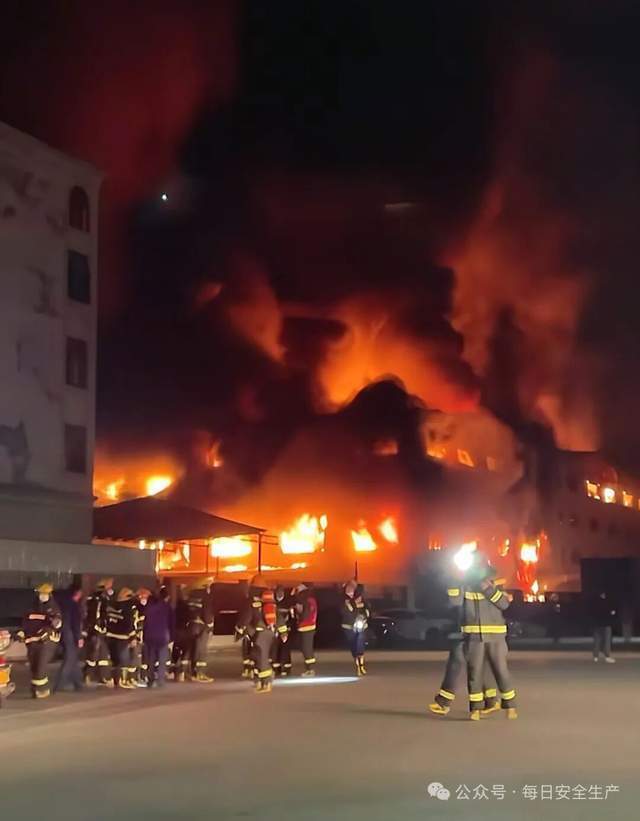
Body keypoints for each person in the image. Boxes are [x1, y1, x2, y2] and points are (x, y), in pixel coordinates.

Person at [429, 572, 501, 717]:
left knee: (459, 661)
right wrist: (455, 579)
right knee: (475, 664)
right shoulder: (467, 583)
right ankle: (491, 700)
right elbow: (455, 601)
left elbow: (498, 604)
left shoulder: (487, 584)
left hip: (481, 634)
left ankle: (444, 702)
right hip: (472, 632)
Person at [458, 556, 517, 720]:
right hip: (474, 636)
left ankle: (510, 706)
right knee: (474, 673)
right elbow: (455, 604)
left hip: (495, 637)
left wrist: (488, 589)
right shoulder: (466, 585)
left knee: (501, 671)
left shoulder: (495, 583)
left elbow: (504, 604)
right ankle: (475, 709)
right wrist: (453, 582)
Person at [18, 583, 62, 699]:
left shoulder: (53, 608)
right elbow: (25, 622)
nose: (42, 596)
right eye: (40, 594)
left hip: (46, 642)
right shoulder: (31, 607)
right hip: (32, 642)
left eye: (44, 594)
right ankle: (36, 689)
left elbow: (57, 624)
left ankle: (42, 690)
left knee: (40, 665)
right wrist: (21, 632)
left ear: (49, 595)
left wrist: (53, 624)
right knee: (34, 666)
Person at [236, 574, 277, 694]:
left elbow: (246, 617)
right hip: (269, 633)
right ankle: (260, 681)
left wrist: (240, 628)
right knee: (258, 656)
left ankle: (266, 683)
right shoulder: (269, 600)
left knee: (260, 657)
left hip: (259, 634)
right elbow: (277, 615)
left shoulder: (252, 601)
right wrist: (283, 631)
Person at [83, 578, 114, 687]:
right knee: (95, 654)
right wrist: (97, 628)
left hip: (98, 630)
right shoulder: (99, 599)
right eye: (109, 586)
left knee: (102, 655)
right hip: (97, 631)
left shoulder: (98, 598)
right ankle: (90, 675)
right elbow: (96, 615)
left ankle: (101, 676)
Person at [54, 584, 84, 692]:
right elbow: (75, 623)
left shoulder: (62, 604)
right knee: (70, 658)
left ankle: (78, 683)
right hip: (70, 634)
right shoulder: (74, 605)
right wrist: (79, 637)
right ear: (77, 593)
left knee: (73, 658)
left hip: (63, 634)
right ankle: (59, 684)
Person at [106, 588, 138, 689]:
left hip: (110, 637)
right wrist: (133, 637)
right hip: (122, 637)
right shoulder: (128, 608)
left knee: (114, 660)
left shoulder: (111, 606)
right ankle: (122, 681)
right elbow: (129, 624)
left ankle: (115, 681)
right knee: (124, 660)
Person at [184, 577, 215, 682]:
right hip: (201, 626)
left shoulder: (191, 595)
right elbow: (207, 612)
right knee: (201, 650)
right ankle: (199, 673)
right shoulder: (205, 596)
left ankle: (188, 672)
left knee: (192, 649)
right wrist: (209, 624)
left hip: (191, 625)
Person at [143, 588, 175, 688]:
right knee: (162, 659)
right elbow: (171, 623)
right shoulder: (167, 607)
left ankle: (150, 680)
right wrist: (172, 637)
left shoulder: (150, 608)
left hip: (150, 636)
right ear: (167, 597)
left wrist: (144, 636)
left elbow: (145, 623)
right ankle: (160, 680)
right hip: (162, 636)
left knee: (151, 659)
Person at [341, 580, 370, 676]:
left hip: (361, 626)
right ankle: (357, 665)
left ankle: (361, 666)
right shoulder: (343, 599)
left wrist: (364, 617)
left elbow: (367, 610)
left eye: (352, 587)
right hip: (348, 627)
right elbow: (345, 612)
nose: (350, 589)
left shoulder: (361, 598)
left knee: (360, 645)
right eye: (349, 587)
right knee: (353, 646)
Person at [292, 583, 318, 677]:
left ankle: (310, 669)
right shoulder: (311, 599)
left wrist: (299, 615)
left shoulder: (305, 600)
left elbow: (305, 613)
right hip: (309, 627)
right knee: (306, 648)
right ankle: (310, 668)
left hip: (306, 627)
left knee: (306, 649)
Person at [171, 584, 191, 682]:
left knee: (176, 650)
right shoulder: (186, 606)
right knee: (185, 651)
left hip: (176, 631)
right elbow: (189, 618)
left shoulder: (175, 607)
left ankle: (174, 672)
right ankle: (182, 673)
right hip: (184, 631)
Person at [133, 587, 152, 687]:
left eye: (146, 596)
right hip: (138, 636)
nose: (144, 598)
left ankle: (144, 676)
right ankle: (136, 677)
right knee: (137, 658)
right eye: (142, 596)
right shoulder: (135, 608)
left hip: (147, 637)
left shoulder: (150, 608)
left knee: (146, 659)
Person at [272, 586, 292, 678]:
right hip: (275, 630)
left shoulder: (288, 603)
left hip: (286, 630)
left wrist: (288, 628)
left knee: (285, 649)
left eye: (281, 592)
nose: (280, 594)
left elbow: (291, 617)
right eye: (278, 592)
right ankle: (277, 669)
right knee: (275, 649)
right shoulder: (273, 603)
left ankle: (286, 668)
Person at [591, 591, 616, 663]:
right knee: (607, 641)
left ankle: (595, 657)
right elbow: (612, 612)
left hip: (597, 624)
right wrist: (612, 613)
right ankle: (607, 656)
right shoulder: (607, 602)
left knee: (597, 641)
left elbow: (592, 613)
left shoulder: (595, 602)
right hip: (606, 624)